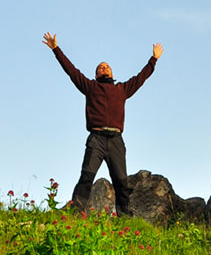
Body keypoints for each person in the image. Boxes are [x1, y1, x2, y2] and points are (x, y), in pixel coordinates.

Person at [42, 32, 163, 216]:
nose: (104, 68)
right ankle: (76, 214)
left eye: (107, 67)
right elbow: (71, 71)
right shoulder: (90, 87)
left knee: (121, 182)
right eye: (100, 67)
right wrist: (56, 49)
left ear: (112, 73)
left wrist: (153, 59)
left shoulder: (121, 89)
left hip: (116, 140)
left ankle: (125, 218)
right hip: (96, 139)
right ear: (96, 74)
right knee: (86, 177)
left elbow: (140, 79)